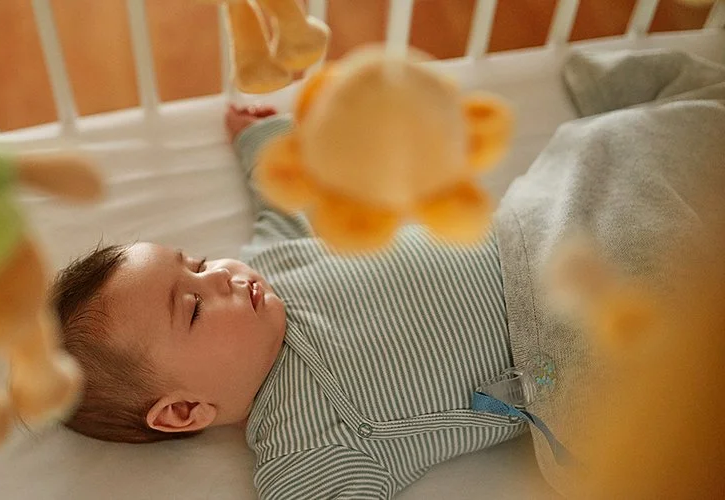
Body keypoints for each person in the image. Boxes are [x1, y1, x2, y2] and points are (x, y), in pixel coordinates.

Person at [52, 50, 725, 498]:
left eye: (196, 262)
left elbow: (282, 199)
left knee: (600, 152)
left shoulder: (274, 265)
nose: (220, 275)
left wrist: (259, 140)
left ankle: (685, 106)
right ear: (185, 411)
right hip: (549, 357)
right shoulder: (300, 447)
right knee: (650, 375)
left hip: (527, 230)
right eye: (193, 307)